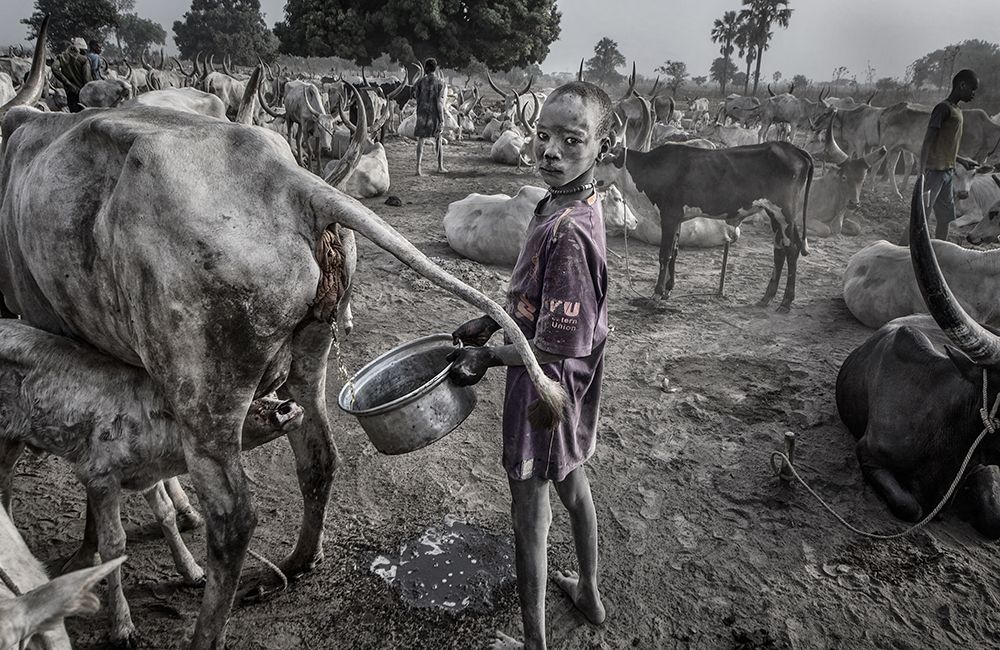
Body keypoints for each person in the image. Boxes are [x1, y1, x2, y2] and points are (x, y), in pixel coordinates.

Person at [448, 81, 613, 650]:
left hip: (547, 390)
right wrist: (492, 319)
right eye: (543, 136)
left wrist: (488, 356)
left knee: (530, 511)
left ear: (602, 145)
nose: (551, 151)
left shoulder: (570, 230)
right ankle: (589, 592)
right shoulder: (557, 202)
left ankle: (534, 644)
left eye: (572, 140)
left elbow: (554, 349)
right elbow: (532, 292)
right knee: (572, 483)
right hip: (568, 379)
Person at [916, 68, 978, 241]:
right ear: (962, 85)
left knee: (945, 219)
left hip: (948, 173)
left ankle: (941, 252)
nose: (973, 94)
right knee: (921, 216)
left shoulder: (957, 110)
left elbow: (946, 146)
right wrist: (921, 173)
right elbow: (928, 141)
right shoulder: (943, 109)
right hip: (934, 172)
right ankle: (902, 250)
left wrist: (962, 160)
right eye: (972, 89)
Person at [413, 57, 448, 175]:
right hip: (434, 115)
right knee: (438, 139)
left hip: (422, 113)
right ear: (435, 68)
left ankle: (418, 169)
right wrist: (442, 120)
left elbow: (416, 98)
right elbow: (439, 103)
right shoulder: (440, 83)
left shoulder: (419, 82)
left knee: (421, 141)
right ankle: (440, 166)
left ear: (426, 68)